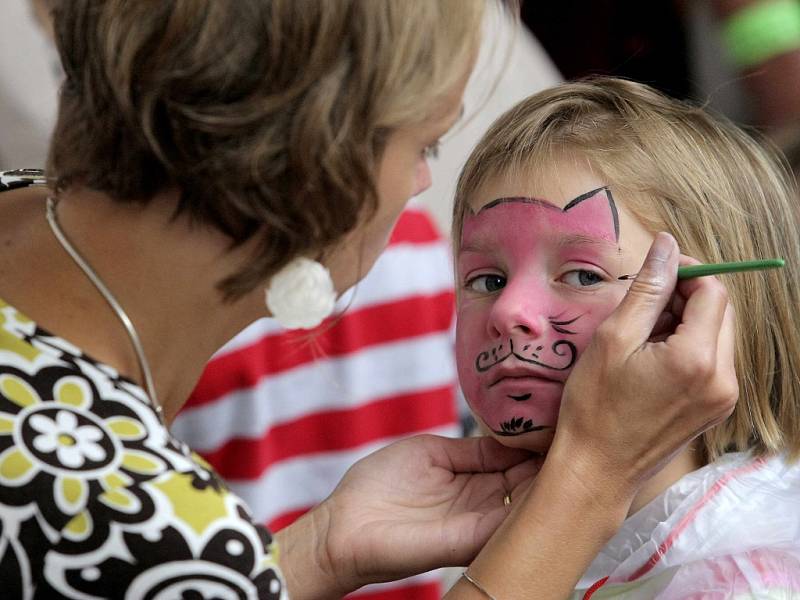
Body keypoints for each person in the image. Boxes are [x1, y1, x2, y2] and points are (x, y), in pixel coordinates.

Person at [0, 2, 736, 598]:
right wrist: (587, 480)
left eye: (580, 274)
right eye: (425, 146)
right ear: (315, 159)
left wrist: (314, 554)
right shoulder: (121, 517)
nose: (420, 187)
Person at [451, 76, 800, 597]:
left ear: (701, 308)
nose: (508, 311)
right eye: (488, 280)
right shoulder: (481, 533)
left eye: (584, 275)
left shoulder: (742, 586)